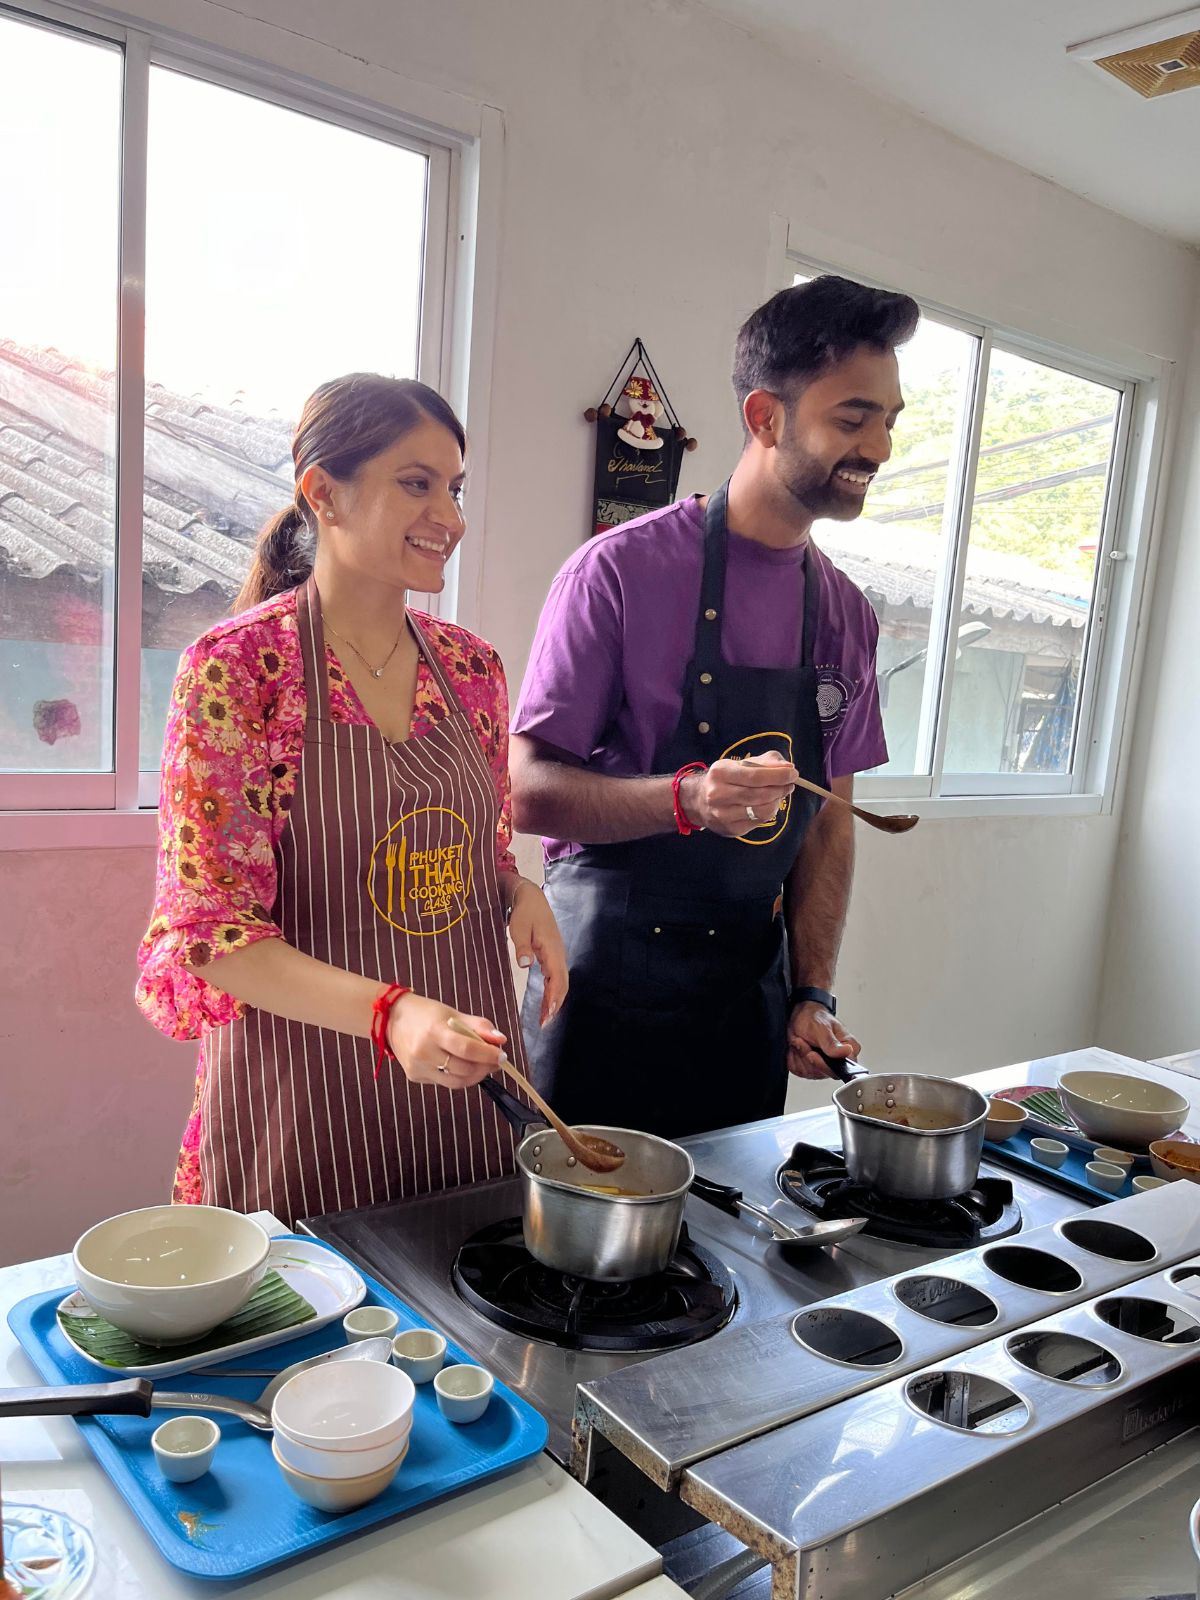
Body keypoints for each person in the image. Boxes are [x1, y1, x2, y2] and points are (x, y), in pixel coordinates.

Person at [137, 374, 567, 1227]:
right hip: (300, 1097)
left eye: (455, 488)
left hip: (457, 1083)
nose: (449, 516)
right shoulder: (240, 671)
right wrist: (389, 1011)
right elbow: (211, 937)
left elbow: (473, 853)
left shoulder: (472, 668)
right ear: (322, 493)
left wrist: (521, 892)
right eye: (417, 483)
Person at [509, 275, 918, 1140]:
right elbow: (529, 790)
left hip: (744, 1003)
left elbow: (831, 821)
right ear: (765, 416)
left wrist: (812, 991)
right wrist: (687, 798)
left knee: (731, 1255)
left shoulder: (847, 614)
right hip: (601, 988)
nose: (880, 445)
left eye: (890, 418)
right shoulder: (617, 573)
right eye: (853, 418)